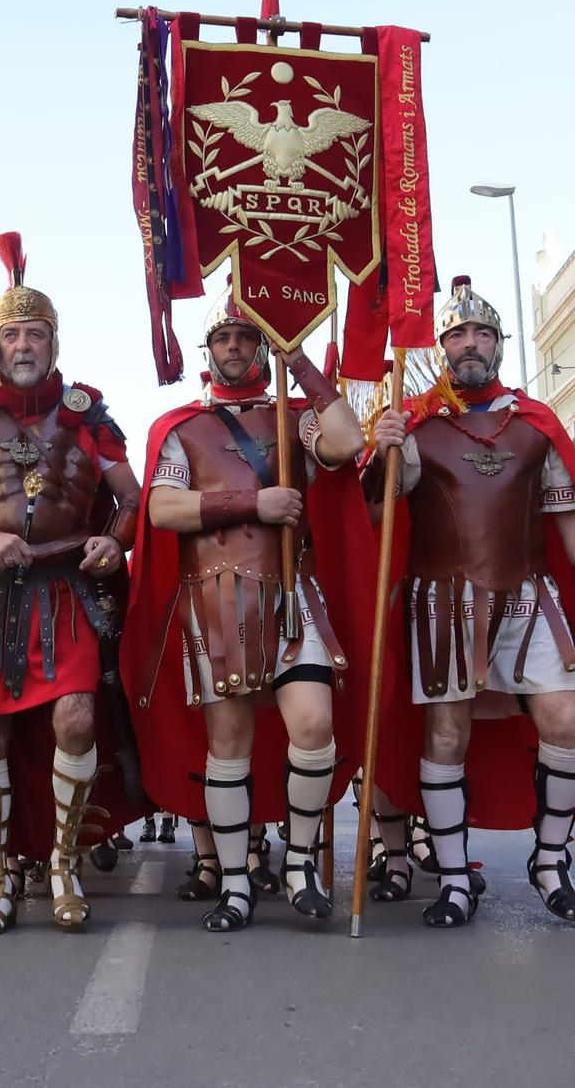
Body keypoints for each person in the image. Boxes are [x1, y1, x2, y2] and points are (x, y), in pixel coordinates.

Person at [366, 275, 575, 928]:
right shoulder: (412, 426)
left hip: (528, 596)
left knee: (565, 719)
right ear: (440, 347)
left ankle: (550, 861)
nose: (471, 343)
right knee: (446, 733)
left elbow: (571, 516)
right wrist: (377, 459)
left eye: (483, 333)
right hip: (442, 602)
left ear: (500, 345)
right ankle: (455, 881)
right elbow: (378, 522)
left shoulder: (534, 426)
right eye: (458, 334)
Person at [0, 235, 144, 936]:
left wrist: (116, 537)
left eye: (36, 334)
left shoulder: (89, 414)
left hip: (64, 588)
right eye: (12, 333)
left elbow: (131, 500)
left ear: (53, 341)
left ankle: (64, 862)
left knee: (75, 716)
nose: (24, 345)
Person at [122, 300, 375, 931]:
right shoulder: (182, 426)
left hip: (293, 593)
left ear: (261, 348)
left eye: (247, 337)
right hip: (216, 598)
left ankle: (298, 865)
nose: (235, 347)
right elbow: (162, 510)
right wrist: (252, 501)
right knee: (228, 743)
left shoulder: (296, 417)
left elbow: (347, 442)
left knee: (314, 724)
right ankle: (234, 885)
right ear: (210, 350)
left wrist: (301, 362)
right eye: (225, 337)